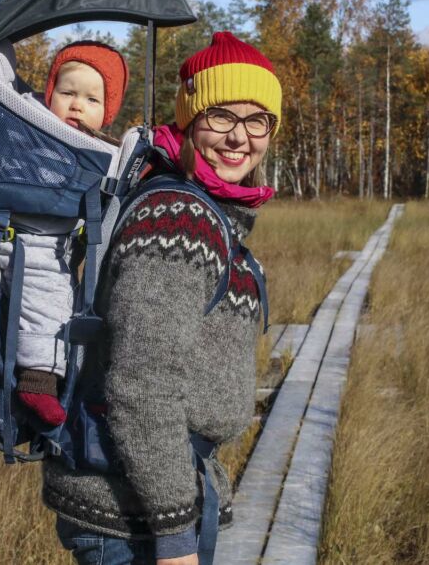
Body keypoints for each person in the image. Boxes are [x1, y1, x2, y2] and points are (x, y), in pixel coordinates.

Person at [41, 32, 282, 565]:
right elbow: (143, 384)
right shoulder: (180, 218)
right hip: (134, 522)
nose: (239, 137)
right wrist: (175, 537)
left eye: (257, 120)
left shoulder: (204, 209)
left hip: (154, 500)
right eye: (220, 116)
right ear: (190, 121)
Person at [0, 40, 129, 427]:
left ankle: (78, 381)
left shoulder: (93, 145)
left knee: (79, 305)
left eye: (91, 100)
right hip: (25, 238)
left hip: (57, 241)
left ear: (107, 112)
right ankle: (37, 379)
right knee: (47, 297)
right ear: (50, 93)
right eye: (67, 93)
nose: (76, 105)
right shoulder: (35, 124)